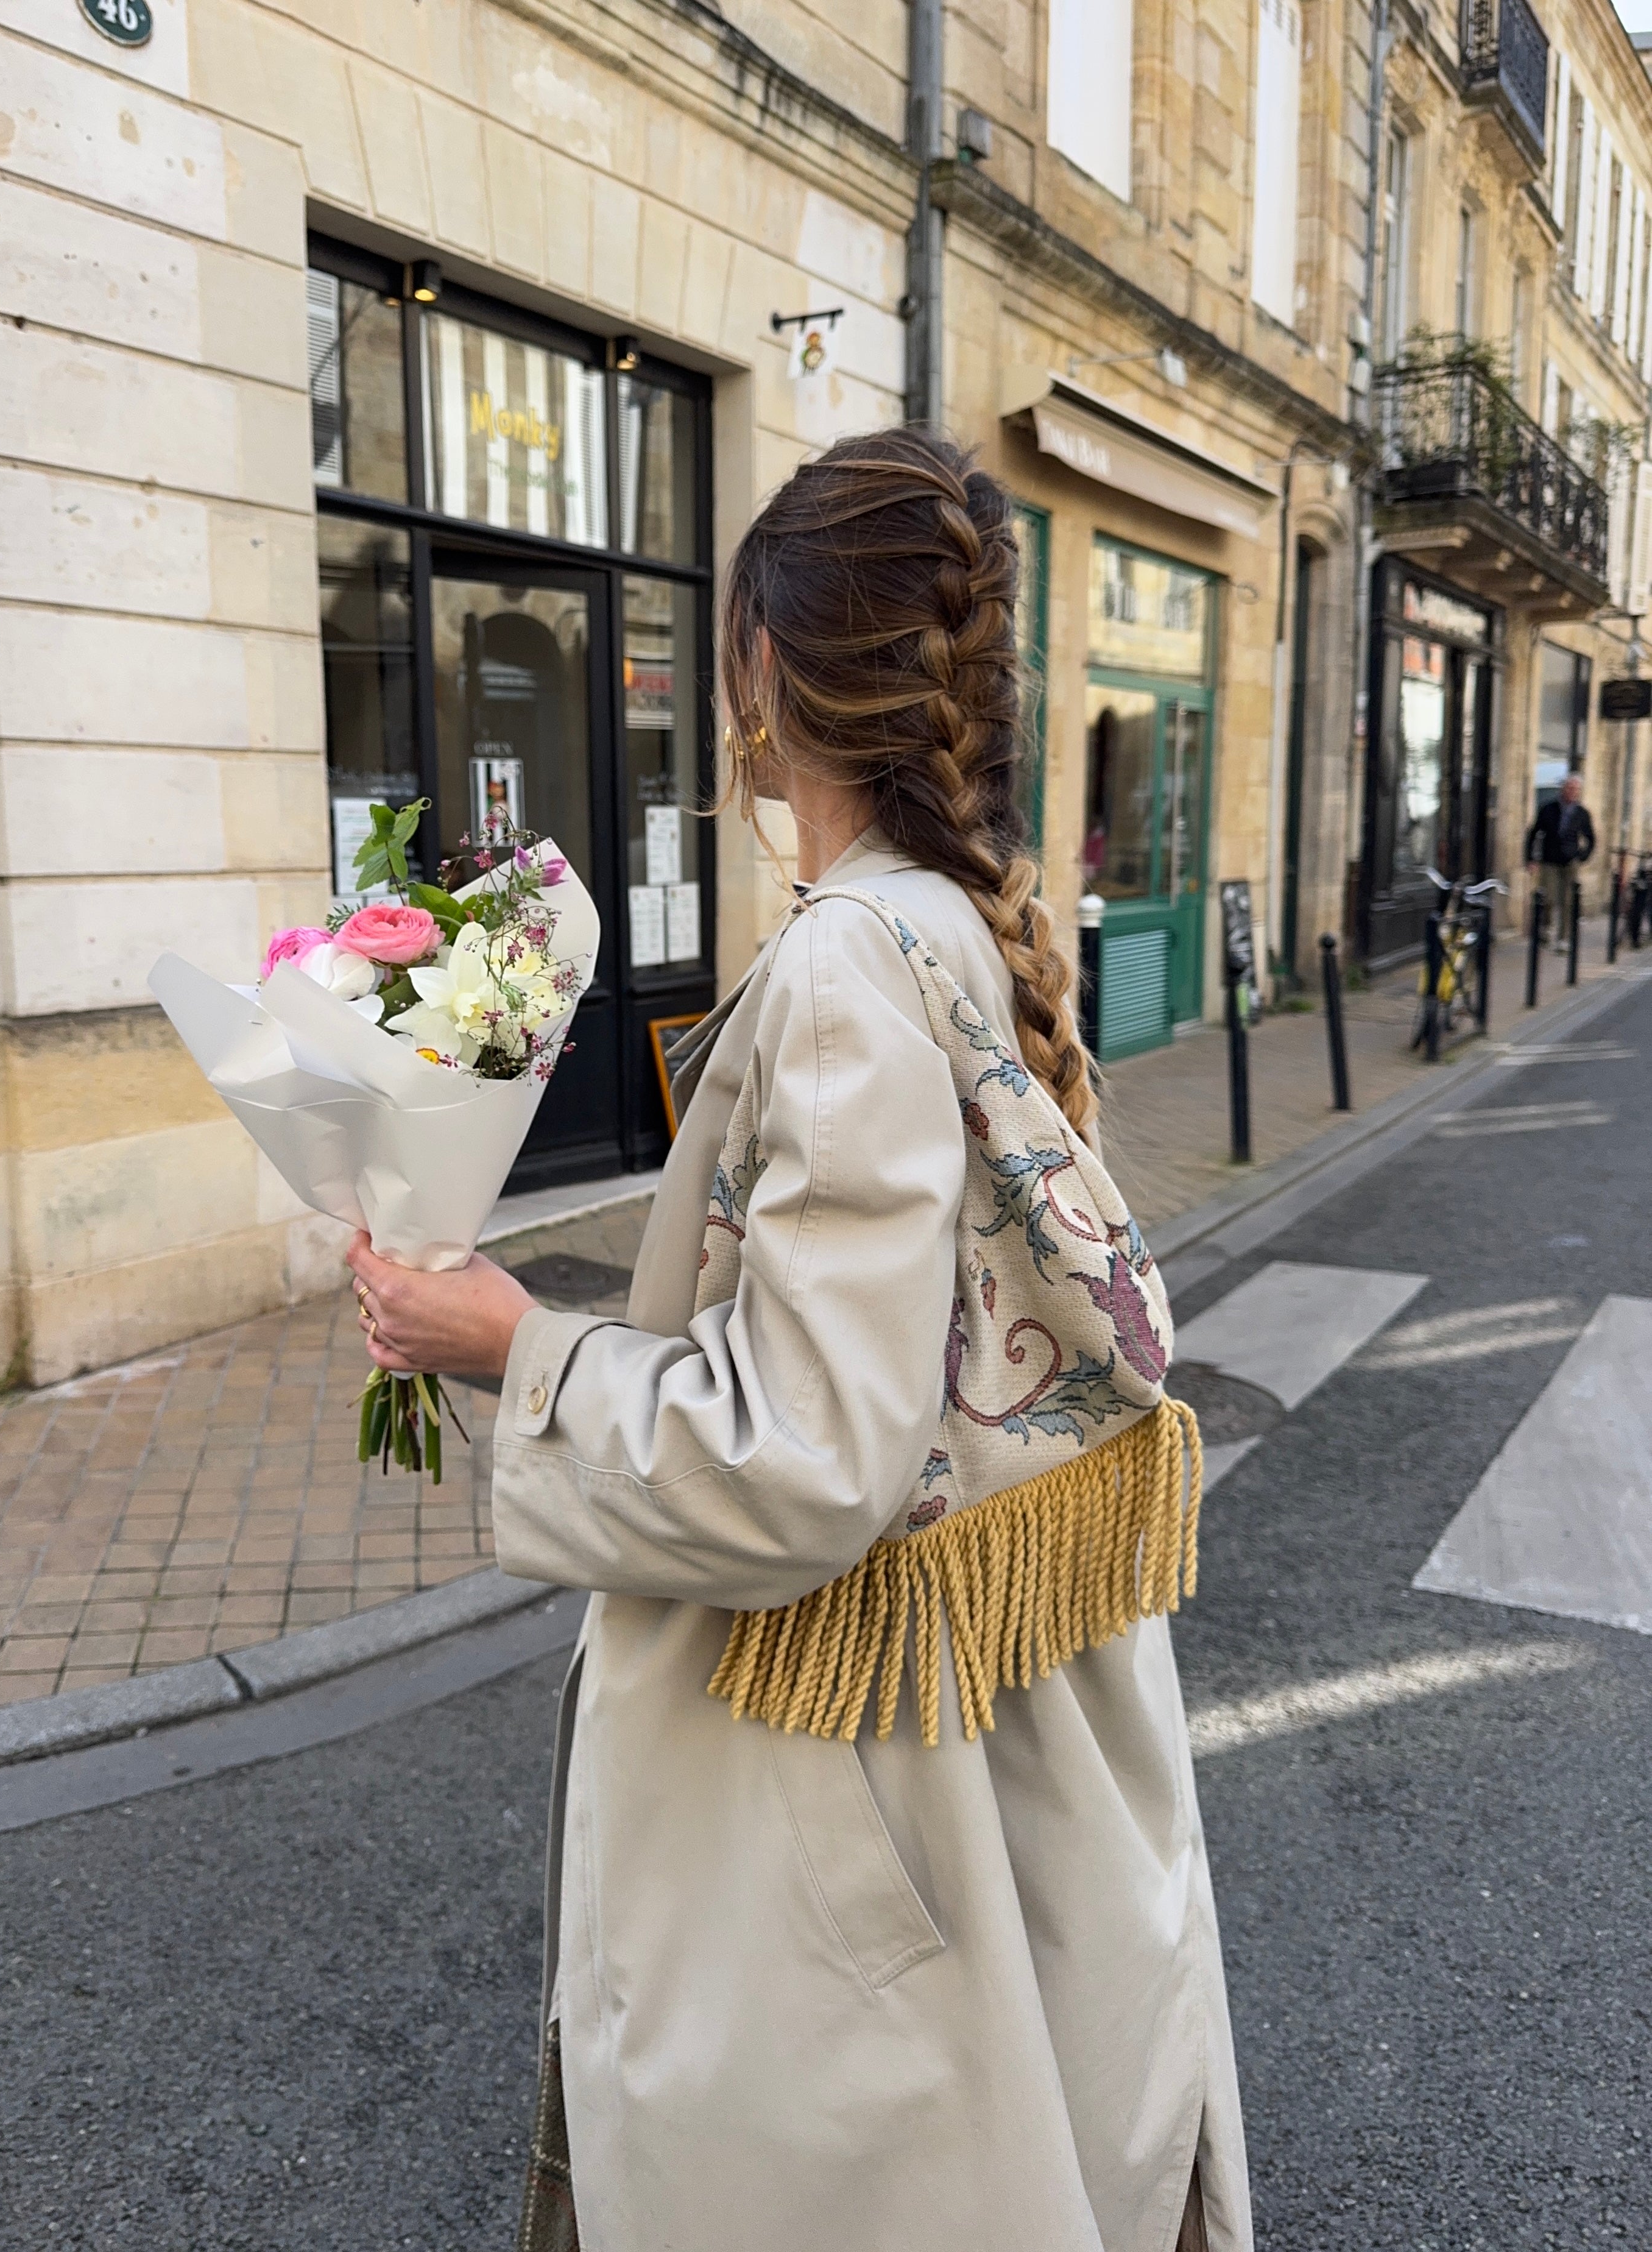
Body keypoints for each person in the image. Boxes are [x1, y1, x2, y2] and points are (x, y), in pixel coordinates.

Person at [345, 430, 1252, 2252]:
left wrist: (511, 1339)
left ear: (760, 667)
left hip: (853, 1786)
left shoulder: (847, 960)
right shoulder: (957, 925)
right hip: (977, 1723)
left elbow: (807, 1458)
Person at [1526, 771, 1595, 949]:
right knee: (1548, 896)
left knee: (1568, 900)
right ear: (1564, 789)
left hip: (1570, 861)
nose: (1572, 791)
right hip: (1550, 859)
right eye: (1569, 788)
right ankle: (1546, 927)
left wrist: (1582, 855)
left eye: (1575, 789)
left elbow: (1590, 838)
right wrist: (1531, 859)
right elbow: (1534, 833)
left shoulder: (1582, 813)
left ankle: (1563, 938)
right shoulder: (1549, 809)